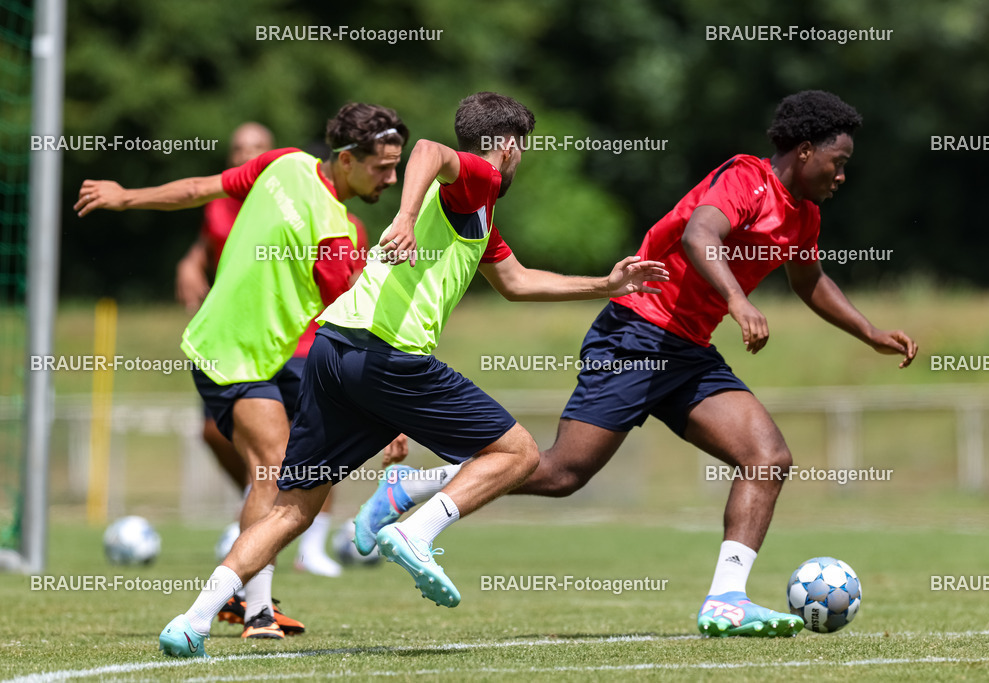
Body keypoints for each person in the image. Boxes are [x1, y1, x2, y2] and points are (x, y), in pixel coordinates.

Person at [353, 90, 919, 638]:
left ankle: (727, 600)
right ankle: (413, 487)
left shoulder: (804, 216)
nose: (842, 175)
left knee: (767, 458)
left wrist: (869, 333)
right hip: (635, 334)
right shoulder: (746, 178)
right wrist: (737, 300)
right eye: (838, 162)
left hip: (689, 351)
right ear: (806, 151)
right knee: (562, 474)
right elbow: (701, 233)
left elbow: (809, 280)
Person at [155, 90, 669, 658]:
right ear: (506, 147)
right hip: (389, 354)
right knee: (519, 453)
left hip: (334, 348)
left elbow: (517, 281)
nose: (521, 158)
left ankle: (191, 621)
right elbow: (428, 148)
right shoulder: (479, 179)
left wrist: (605, 285)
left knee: (292, 507)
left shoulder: (475, 212)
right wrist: (402, 218)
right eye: (522, 148)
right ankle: (414, 531)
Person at [75, 102, 409, 641]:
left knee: (279, 472)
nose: (392, 179)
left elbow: (197, 189)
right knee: (273, 469)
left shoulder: (293, 170)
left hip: (265, 358)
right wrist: (126, 197)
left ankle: (253, 605)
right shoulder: (314, 206)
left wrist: (126, 196)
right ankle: (250, 609)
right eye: (384, 168)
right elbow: (351, 326)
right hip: (228, 351)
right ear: (347, 159)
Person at [175, 122, 356, 580]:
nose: (244, 155)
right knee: (224, 439)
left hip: (301, 343)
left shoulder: (327, 215)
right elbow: (206, 246)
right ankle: (259, 521)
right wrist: (189, 264)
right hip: (236, 345)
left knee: (310, 445)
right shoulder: (219, 208)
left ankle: (304, 546)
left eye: (255, 148)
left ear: (271, 155)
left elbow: (348, 285)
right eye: (238, 148)